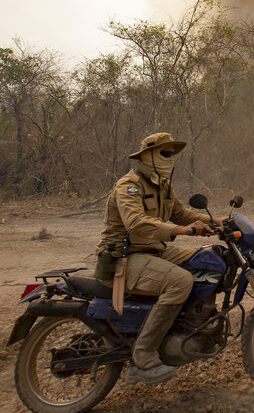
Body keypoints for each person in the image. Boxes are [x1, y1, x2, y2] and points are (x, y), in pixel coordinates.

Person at [96, 132, 224, 385]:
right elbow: (136, 223)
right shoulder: (129, 186)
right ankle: (142, 357)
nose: (170, 158)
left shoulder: (162, 185)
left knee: (211, 259)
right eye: (165, 153)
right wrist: (180, 231)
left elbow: (180, 213)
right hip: (125, 256)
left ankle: (189, 325)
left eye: (172, 154)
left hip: (154, 250)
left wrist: (217, 221)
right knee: (180, 281)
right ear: (148, 156)